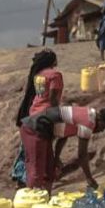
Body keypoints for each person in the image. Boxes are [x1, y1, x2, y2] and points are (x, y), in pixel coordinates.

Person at [20, 106, 105, 191]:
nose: (101, 130)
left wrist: (56, 159)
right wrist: (89, 178)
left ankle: (45, 201)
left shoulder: (87, 113)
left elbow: (63, 137)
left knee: (49, 172)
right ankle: (32, 203)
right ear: (99, 118)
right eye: (103, 127)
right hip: (34, 129)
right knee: (37, 170)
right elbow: (82, 155)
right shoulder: (89, 122)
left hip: (44, 132)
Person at [12, 49, 61, 185]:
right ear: (52, 61)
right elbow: (52, 98)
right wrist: (57, 115)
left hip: (31, 115)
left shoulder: (38, 75)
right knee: (39, 163)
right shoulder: (55, 75)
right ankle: (34, 190)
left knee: (31, 158)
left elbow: (39, 96)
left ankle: (24, 181)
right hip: (44, 118)